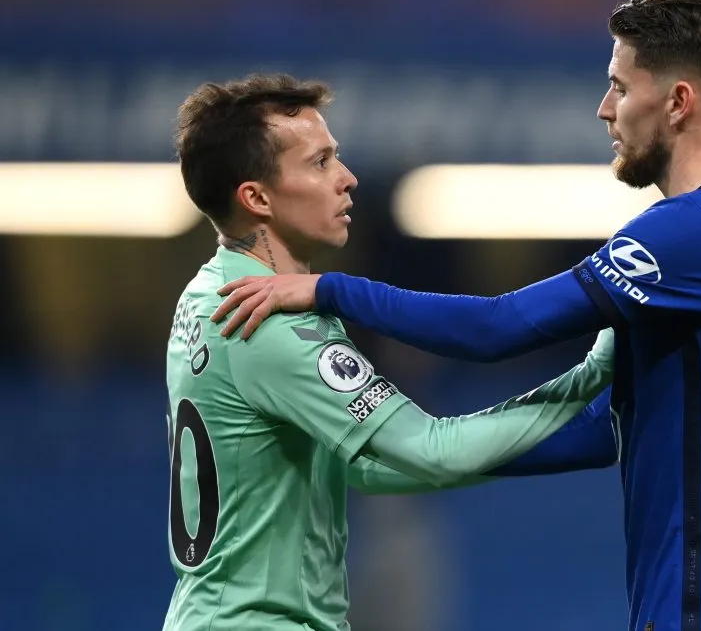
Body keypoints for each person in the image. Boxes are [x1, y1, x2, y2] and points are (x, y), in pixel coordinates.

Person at [213, 0, 701, 631]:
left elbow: (498, 327)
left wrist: (328, 290)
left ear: (678, 103)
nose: (604, 108)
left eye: (620, 87)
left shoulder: (695, 230)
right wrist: (426, 451)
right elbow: (613, 425)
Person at [164, 73, 615, 631]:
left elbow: (373, 467)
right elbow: (429, 450)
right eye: (320, 163)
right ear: (256, 197)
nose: (347, 179)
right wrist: (593, 375)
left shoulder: (205, 294)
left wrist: (587, 436)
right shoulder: (268, 323)